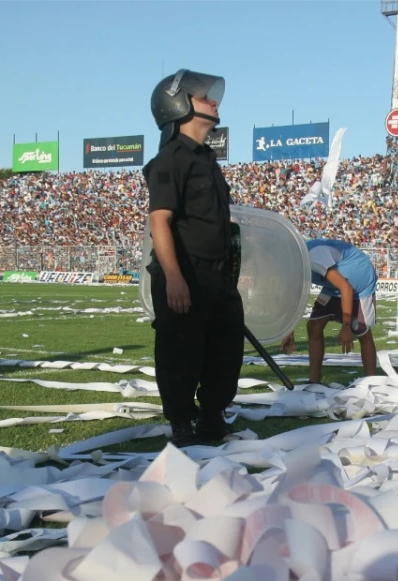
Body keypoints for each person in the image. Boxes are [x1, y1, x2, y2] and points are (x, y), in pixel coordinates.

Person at [143, 68, 242, 448]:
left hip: (217, 276)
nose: (213, 101)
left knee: (225, 350)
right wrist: (175, 278)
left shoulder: (207, 160)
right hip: (185, 272)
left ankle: (212, 416)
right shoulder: (170, 159)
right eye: (203, 96)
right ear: (179, 104)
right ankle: (182, 422)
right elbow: (160, 221)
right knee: (180, 352)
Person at [280, 238, 378, 384]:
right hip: (333, 287)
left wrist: (346, 326)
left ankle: (372, 383)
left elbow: (346, 288)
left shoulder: (314, 256)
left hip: (359, 285)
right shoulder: (292, 264)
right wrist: (290, 329)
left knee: (362, 333)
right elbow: (296, 294)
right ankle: (314, 381)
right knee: (314, 326)